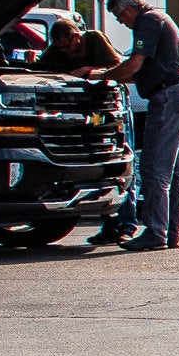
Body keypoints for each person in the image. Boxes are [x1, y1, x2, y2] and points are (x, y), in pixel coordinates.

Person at [85, 0, 179, 252]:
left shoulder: (148, 22)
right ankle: (170, 232)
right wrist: (112, 72)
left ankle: (156, 233)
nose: (121, 22)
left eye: (119, 16)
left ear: (129, 9)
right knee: (175, 171)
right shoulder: (158, 18)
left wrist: (97, 75)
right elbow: (140, 72)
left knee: (154, 167)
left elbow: (134, 66)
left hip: (169, 96)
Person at [38, 20, 141, 245]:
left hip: (109, 111)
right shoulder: (56, 50)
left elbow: (119, 69)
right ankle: (110, 224)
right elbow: (41, 69)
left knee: (120, 162)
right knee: (97, 167)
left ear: (77, 35)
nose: (68, 51)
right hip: (85, 115)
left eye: (70, 45)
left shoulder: (94, 39)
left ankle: (126, 224)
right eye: (62, 48)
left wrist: (90, 72)